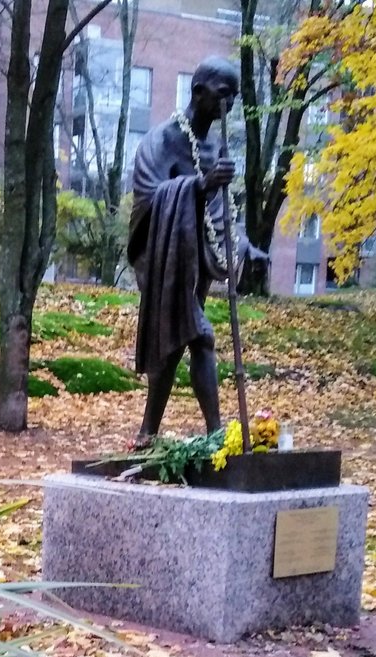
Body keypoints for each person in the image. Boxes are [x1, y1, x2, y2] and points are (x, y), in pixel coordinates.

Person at [126, 56, 264, 447]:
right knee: (200, 335)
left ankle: (147, 433)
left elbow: (221, 213)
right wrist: (199, 186)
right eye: (223, 94)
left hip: (197, 261)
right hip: (166, 261)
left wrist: (244, 245)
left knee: (173, 346)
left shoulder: (215, 146)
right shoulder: (164, 139)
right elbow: (149, 198)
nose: (229, 103)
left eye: (234, 96)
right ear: (198, 92)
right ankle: (216, 434)